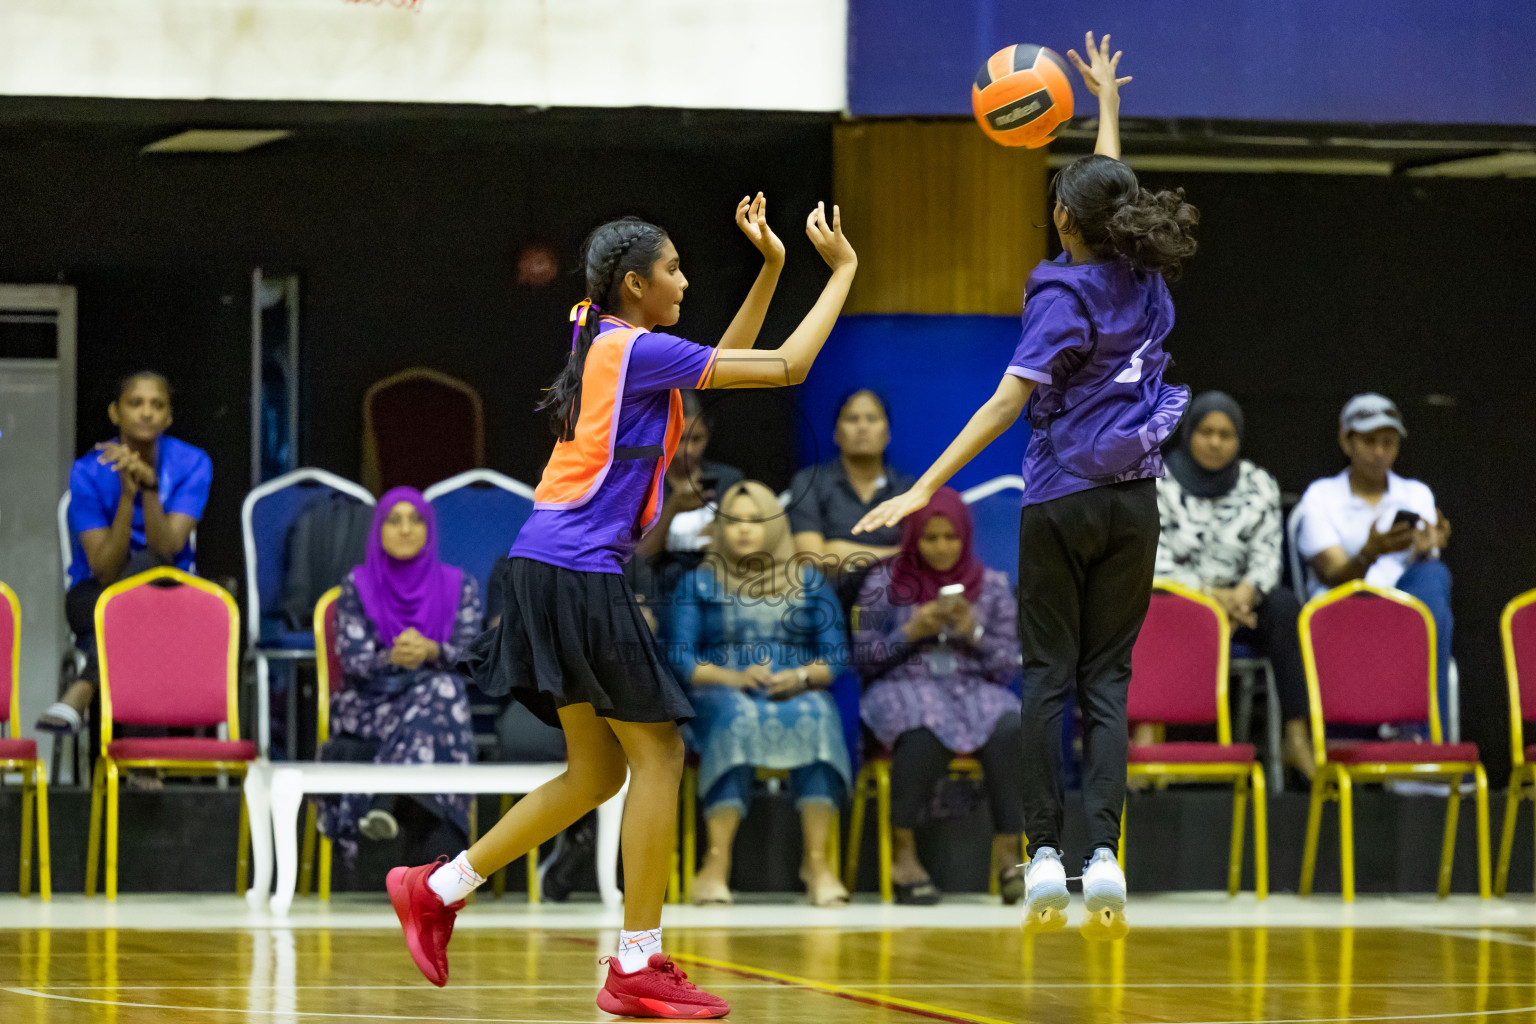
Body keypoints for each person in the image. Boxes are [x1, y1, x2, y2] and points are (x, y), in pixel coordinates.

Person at [384, 193, 858, 1020]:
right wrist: (842, 270)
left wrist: (775, 266)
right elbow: (786, 367)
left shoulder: (619, 345)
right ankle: (637, 961)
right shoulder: (635, 351)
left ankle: (439, 885)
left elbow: (724, 361)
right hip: (574, 571)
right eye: (674, 269)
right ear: (637, 283)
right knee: (662, 759)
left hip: (543, 564)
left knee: (599, 771)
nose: (684, 279)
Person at [855, 32, 1197, 940]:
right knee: (1108, 686)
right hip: (1135, 501)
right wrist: (1108, 110)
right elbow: (1110, 192)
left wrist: (921, 485)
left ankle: (1042, 854)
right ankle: (1107, 861)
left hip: (1061, 501)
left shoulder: (1060, 294)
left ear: (1060, 222)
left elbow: (1002, 407)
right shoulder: (1146, 272)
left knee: (1046, 677)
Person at [668, 481, 851, 907]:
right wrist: (735, 679)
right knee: (739, 717)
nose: (744, 530)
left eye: (755, 521)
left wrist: (802, 677)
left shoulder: (807, 581)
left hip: (793, 688)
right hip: (720, 693)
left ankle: (818, 864)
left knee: (819, 712)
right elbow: (680, 658)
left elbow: (836, 655)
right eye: (733, 522)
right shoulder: (698, 583)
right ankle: (716, 866)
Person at [852, 486, 1024, 904]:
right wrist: (911, 631)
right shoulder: (881, 582)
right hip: (902, 686)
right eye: (931, 538)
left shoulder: (994, 585)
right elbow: (863, 655)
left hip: (973, 688)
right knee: (923, 719)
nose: (942, 547)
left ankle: (1008, 851)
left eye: (952, 537)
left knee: (1012, 723)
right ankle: (903, 853)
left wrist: (973, 633)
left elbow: (1007, 665)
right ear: (914, 537)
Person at [39, 371, 211, 736]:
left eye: (157, 405)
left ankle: (83, 688)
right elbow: (104, 569)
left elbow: (167, 549)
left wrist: (150, 488)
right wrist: (127, 494)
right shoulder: (87, 471)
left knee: (149, 568)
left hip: (170, 591)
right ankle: (145, 767)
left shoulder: (193, 464)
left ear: (169, 417)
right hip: (97, 592)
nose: (147, 412)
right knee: (134, 616)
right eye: (136, 403)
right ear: (115, 413)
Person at [317, 488, 481, 866]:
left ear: (429, 529)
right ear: (378, 531)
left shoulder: (460, 586)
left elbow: (472, 658)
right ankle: (440, 879)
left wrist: (432, 651)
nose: (405, 529)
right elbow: (354, 662)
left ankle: (385, 801)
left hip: (432, 706)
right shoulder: (357, 586)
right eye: (394, 520)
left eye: (416, 520)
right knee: (441, 697)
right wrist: (393, 657)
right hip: (371, 704)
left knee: (439, 689)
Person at [1154, 392, 1313, 778]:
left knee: (1286, 606)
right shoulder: (1159, 479)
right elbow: (1156, 561)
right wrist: (1213, 600)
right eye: (1206, 431)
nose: (1215, 442)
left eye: (1225, 434)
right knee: (1150, 601)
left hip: (1242, 603)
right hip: (1178, 598)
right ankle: (1148, 733)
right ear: (1189, 432)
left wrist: (1243, 595)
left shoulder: (1258, 484)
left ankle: (1296, 735)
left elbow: (1266, 557)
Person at [1293, 393, 1454, 726]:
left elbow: (1427, 575)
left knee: (1434, 574)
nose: (1380, 452)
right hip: (1342, 605)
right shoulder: (1321, 495)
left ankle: (1423, 740)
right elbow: (1332, 574)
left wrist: (1427, 547)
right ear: (1346, 440)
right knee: (1422, 606)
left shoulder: (1416, 494)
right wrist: (1369, 553)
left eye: (1389, 442)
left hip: (1405, 608)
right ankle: (1418, 733)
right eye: (1369, 441)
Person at [788, 389, 915, 591]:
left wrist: (838, 550)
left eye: (872, 419)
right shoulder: (810, 482)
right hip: (825, 605)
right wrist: (893, 555)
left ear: (888, 433)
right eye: (852, 419)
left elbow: (919, 560)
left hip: (894, 602)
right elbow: (812, 558)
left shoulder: (908, 490)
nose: (862, 427)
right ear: (836, 433)